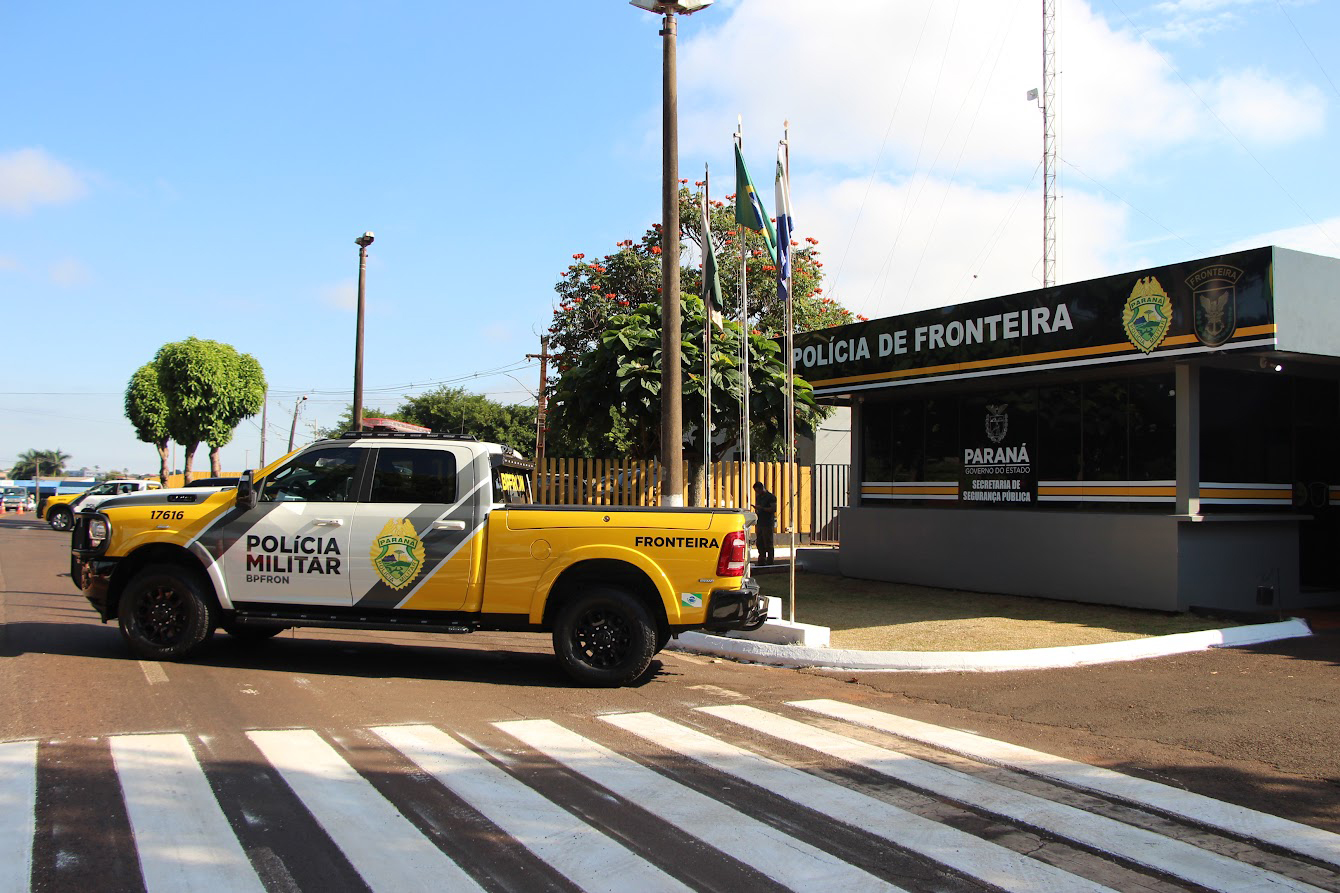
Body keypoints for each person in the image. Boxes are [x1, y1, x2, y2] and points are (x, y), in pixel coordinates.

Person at [752, 481, 777, 565]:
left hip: (768, 522)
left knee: (768, 542)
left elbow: (773, 509)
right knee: (760, 542)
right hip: (760, 521)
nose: (757, 493)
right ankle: (761, 559)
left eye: (758, 490)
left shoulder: (771, 497)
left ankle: (770, 560)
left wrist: (762, 508)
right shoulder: (758, 497)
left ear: (762, 488)